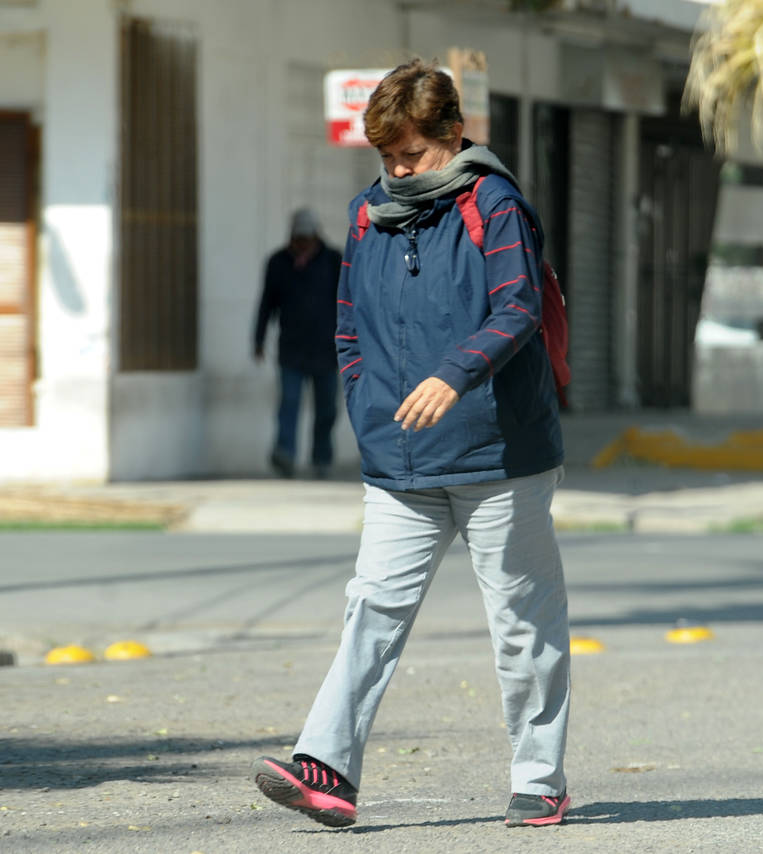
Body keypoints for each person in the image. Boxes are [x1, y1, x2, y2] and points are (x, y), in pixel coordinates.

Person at [252, 59, 570, 829]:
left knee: (522, 624)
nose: (397, 169)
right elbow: (349, 324)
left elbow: (518, 305)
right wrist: (365, 403)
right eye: (386, 156)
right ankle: (325, 766)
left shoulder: (493, 203)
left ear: (453, 135)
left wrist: (455, 375)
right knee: (372, 610)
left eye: (411, 155)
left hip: (500, 452)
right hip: (399, 459)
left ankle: (540, 778)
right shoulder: (368, 215)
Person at [253, 208, 343, 479]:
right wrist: (257, 340)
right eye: (298, 238)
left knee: (326, 409)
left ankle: (322, 457)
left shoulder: (333, 261)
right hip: (291, 349)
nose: (302, 243)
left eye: (306, 238)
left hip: (327, 350)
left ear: (316, 235)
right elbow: (266, 304)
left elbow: (348, 303)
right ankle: (285, 455)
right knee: (289, 404)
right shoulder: (278, 262)